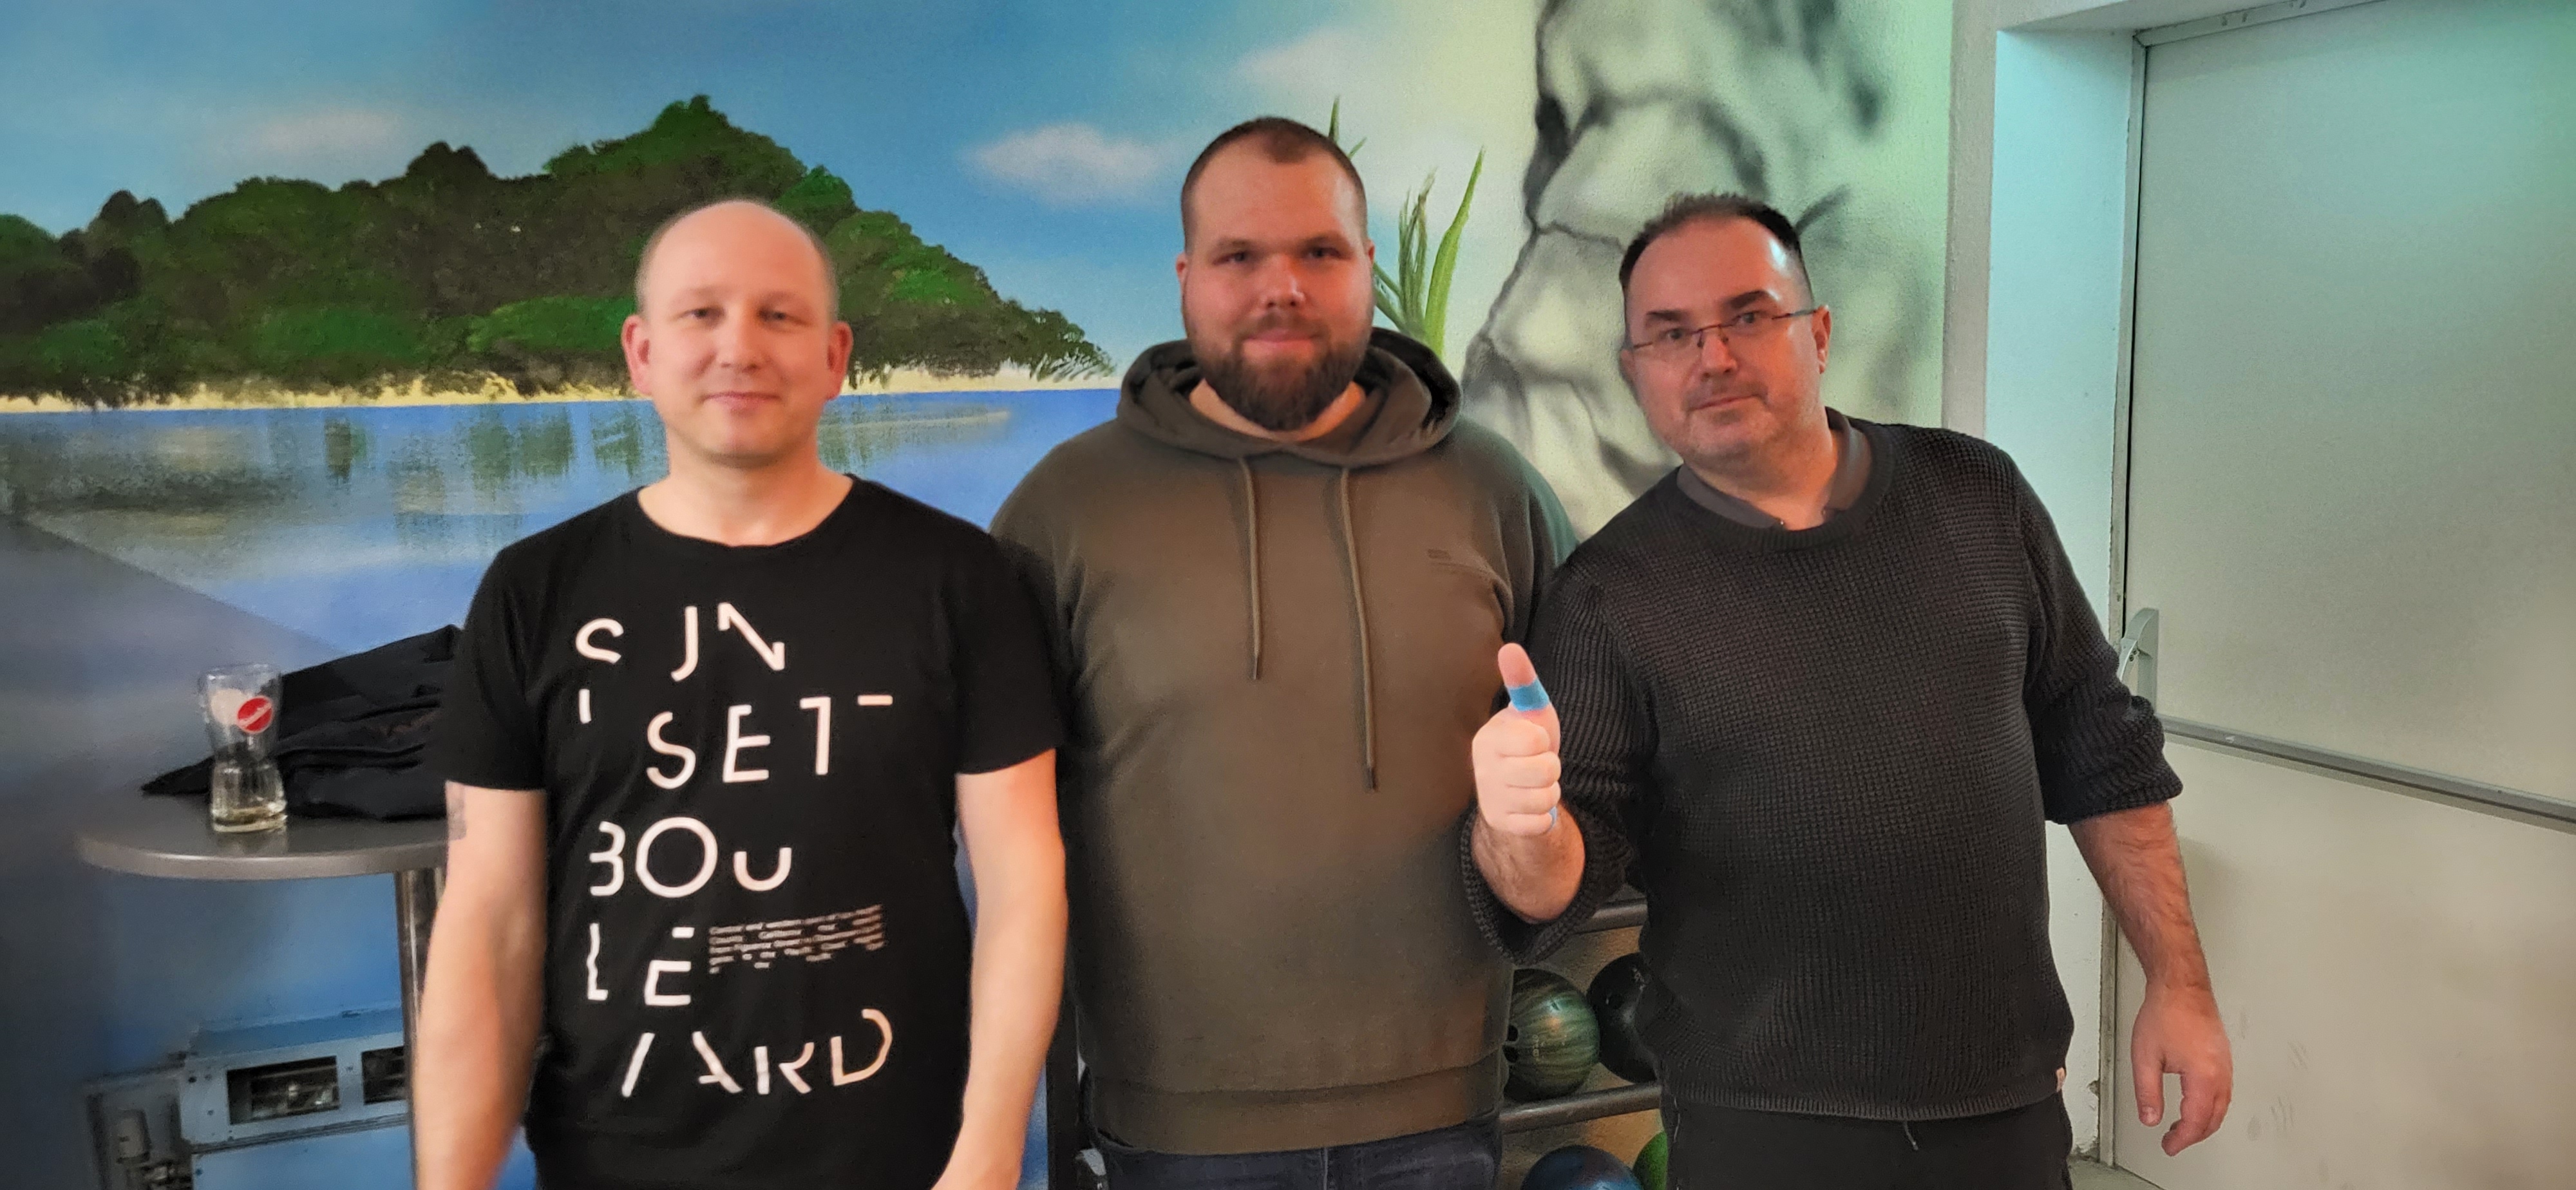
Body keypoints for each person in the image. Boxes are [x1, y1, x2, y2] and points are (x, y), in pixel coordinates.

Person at [1464, 193, 2233, 1189]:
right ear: (1636, 371)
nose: (1712, 357)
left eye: (1749, 315)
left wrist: (2179, 982)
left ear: (1818, 332)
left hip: (2000, 1101)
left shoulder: (1977, 496)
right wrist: (1517, 827)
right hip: (1760, 1127)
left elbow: (2102, 749)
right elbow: (1559, 885)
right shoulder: (1610, 596)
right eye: (1671, 333)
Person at [415, 198, 1066, 1190]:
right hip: (614, 1158)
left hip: (900, 1154)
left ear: (836, 356)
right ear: (641, 354)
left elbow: (1023, 881)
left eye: (779, 315)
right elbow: (489, 918)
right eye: (701, 314)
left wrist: (989, 1152)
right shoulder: (535, 591)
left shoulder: (956, 578)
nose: (740, 348)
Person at [992, 118, 1568, 1187]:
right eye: (1239, 256)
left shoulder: (1493, 491)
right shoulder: (1064, 512)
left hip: (1439, 1117)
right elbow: (996, 830)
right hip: (1174, 1128)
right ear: (1185, 279)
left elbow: (1586, 767)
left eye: (1319, 252)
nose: (1282, 288)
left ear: (1367, 268)